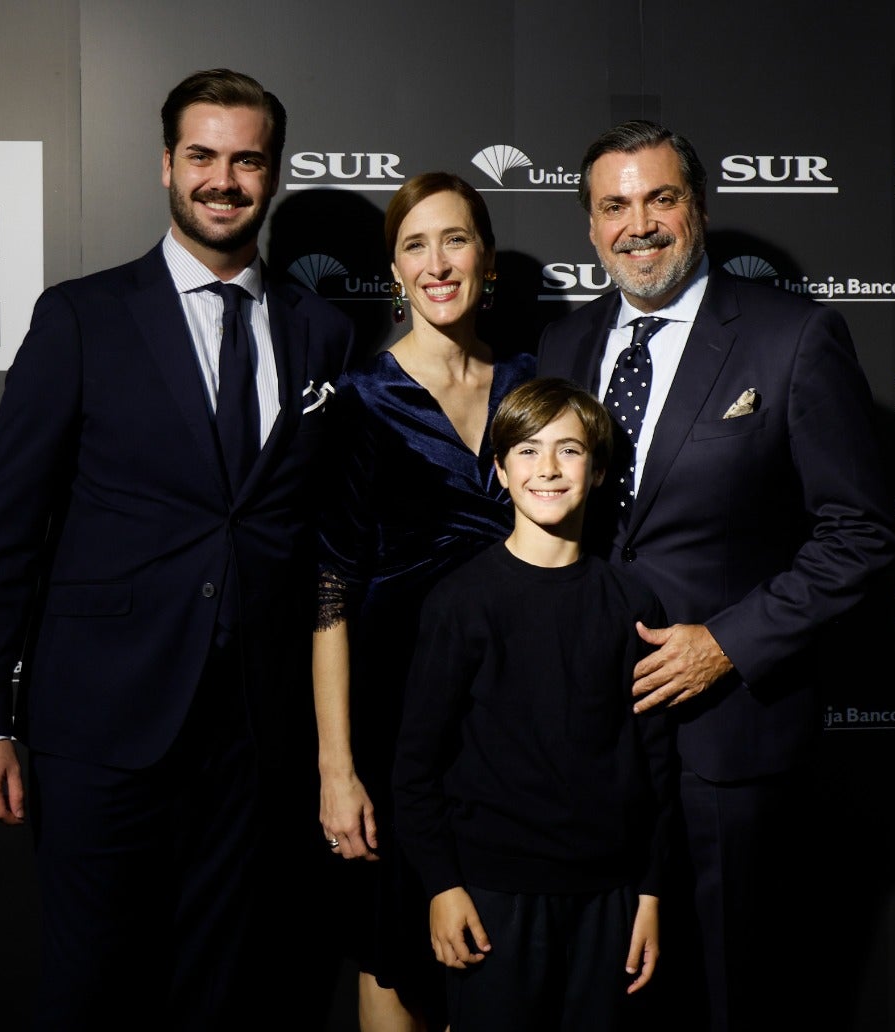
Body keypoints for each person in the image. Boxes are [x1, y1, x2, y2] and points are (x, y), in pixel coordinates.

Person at [0, 68, 353, 1030]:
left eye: (247, 159)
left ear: (274, 174)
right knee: (94, 986)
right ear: (166, 165)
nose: (224, 179)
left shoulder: (321, 331)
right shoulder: (81, 316)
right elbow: (5, 525)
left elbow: (315, 529)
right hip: (101, 719)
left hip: (255, 729)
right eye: (201, 156)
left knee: (231, 987)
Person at [536, 120, 895, 1031]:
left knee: (731, 995)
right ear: (589, 226)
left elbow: (859, 531)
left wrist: (727, 645)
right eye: (614, 206)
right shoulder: (563, 348)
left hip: (723, 744)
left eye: (661, 199)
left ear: (697, 207)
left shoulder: (793, 337)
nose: (640, 225)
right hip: (584, 747)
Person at [312, 171, 535, 1031]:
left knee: (498, 954)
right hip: (397, 716)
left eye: (455, 239)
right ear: (395, 272)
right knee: (395, 950)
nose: (437, 263)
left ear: (485, 259)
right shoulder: (361, 399)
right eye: (415, 245)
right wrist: (338, 770)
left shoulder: (533, 383)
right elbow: (329, 590)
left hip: (512, 715)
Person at [392, 377, 677, 1032]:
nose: (547, 468)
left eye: (569, 450)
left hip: (609, 897)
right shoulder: (460, 602)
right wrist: (441, 885)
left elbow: (659, 767)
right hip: (492, 897)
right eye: (527, 450)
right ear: (499, 468)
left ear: (599, 470)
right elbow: (415, 766)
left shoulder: (633, 605)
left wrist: (653, 892)